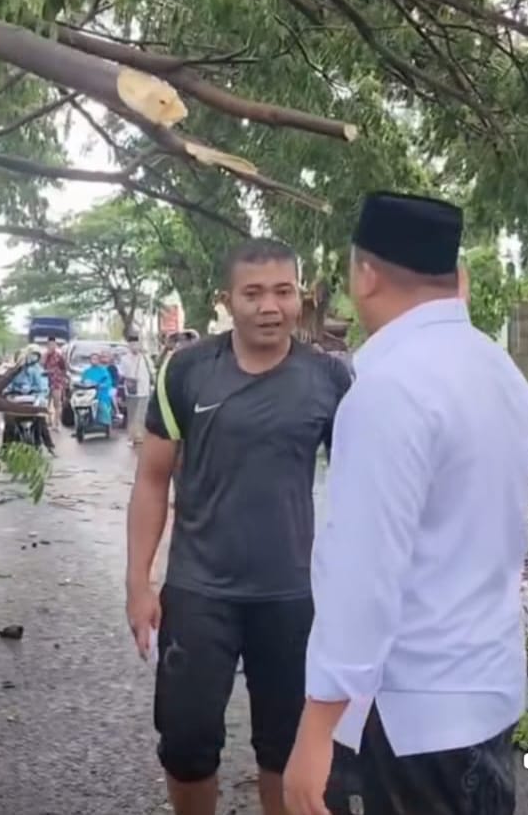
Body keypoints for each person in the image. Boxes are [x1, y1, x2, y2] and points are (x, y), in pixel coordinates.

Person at [284, 192, 528, 815]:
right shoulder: (502, 374)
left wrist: (315, 731)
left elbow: (363, 579)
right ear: (458, 279)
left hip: (410, 723)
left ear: (364, 275)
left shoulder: (388, 390)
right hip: (485, 693)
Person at [126, 238, 351, 815]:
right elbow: (153, 479)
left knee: (283, 744)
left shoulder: (330, 379)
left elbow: (363, 489)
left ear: (300, 297)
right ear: (226, 301)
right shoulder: (188, 370)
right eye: (253, 293)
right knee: (185, 743)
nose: (269, 306)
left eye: (282, 291)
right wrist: (138, 584)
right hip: (200, 592)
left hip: (292, 595)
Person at [3, 344, 55, 454]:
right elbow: (6, 385)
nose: (33, 358)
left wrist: (41, 395)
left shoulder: (38, 370)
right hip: (16, 399)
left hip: (33, 399)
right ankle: (5, 448)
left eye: (35, 355)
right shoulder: (13, 371)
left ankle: (48, 445)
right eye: (31, 355)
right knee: (9, 420)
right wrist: (7, 393)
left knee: (41, 419)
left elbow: (43, 387)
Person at [120, 333, 152, 446]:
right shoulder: (124, 358)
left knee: (142, 414)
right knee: (132, 414)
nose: (135, 346)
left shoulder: (145, 357)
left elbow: (151, 370)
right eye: (132, 344)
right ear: (129, 345)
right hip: (132, 390)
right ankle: (131, 437)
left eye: (137, 343)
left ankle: (140, 436)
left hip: (144, 389)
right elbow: (122, 373)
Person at [82, 352, 113, 427]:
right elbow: (82, 382)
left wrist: (101, 385)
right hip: (88, 394)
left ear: (99, 360)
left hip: (101, 394)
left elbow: (108, 382)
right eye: (92, 359)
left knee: (101, 405)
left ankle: (105, 422)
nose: (94, 360)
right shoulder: (86, 372)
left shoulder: (103, 371)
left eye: (96, 359)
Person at [43, 337, 67, 431]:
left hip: (56, 382)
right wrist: (46, 356)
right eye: (50, 345)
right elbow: (41, 366)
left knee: (57, 403)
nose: (52, 347)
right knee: (46, 403)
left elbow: (64, 368)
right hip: (45, 382)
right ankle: (48, 421)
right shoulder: (44, 356)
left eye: (53, 345)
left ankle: (56, 423)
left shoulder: (59, 356)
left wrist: (63, 380)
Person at [100, 349, 121, 419]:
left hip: (111, 387)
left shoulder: (112, 368)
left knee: (112, 396)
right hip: (98, 387)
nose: (104, 358)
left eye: (106, 357)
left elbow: (116, 379)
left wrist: (113, 386)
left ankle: (117, 412)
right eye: (102, 356)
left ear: (109, 358)